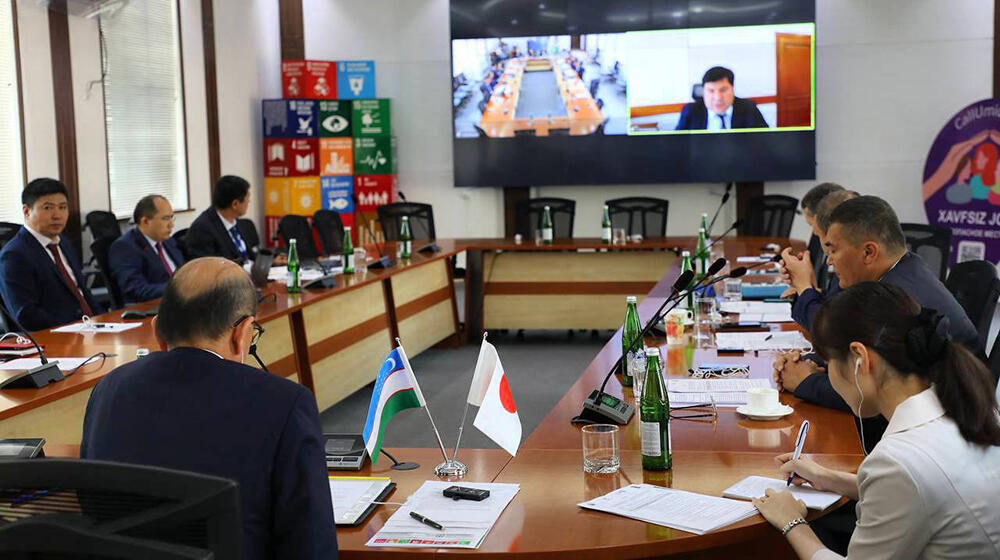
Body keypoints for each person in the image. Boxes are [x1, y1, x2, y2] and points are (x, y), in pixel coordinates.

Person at [80, 257, 337, 559]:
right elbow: (311, 546)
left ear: (157, 332)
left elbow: (92, 505)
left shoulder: (107, 390)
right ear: (242, 333)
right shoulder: (286, 403)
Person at [754, 282, 1000, 559]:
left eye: (829, 363)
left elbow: (910, 482)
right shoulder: (963, 404)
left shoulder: (897, 461)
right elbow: (920, 492)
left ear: (860, 358)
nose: (829, 376)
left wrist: (792, 521)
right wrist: (827, 478)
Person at [0, 178, 105, 331]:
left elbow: (83, 293)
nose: (57, 215)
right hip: (55, 339)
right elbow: (26, 315)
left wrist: (104, 320)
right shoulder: (14, 255)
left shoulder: (63, 244)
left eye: (62, 207)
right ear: (27, 211)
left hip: (90, 330)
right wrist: (74, 327)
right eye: (48, 208)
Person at [109, 195, 185, 303]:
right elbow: (136, 289)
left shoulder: (168, 241)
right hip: (152, 309)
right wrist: (180, 289)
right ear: (145, 221)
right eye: (165, 218)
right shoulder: (125, 247)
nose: (171, 224)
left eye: (171, 217)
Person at [186, 175, 256, 263]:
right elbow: (209, 267)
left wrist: (271, 261)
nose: (249, 202)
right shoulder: (202, 229)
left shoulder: (233, 221)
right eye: (247, 198)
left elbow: (248, 255)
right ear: (235, 204)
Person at [675, 66, 768, 131]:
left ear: (732, 89)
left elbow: (766, 142)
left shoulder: (749, 109)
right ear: (703, 91)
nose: (718, 98)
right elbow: (677, 145)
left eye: (723, 90)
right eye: (711, 91)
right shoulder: (691, 111)